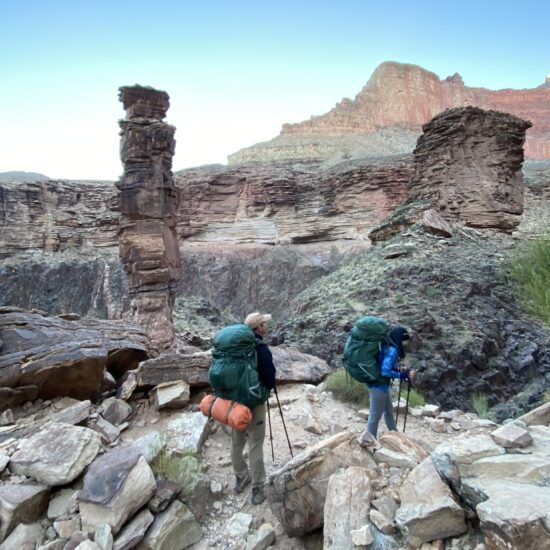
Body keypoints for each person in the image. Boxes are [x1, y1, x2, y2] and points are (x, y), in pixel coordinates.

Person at [231, 312, 276, 505]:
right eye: (265, 323)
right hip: (254, 403)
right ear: (258, 328)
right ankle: (258, 487)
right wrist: (269, 386)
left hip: (234, 402)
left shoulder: (234, 348)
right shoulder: (261, 349)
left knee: (236, 441)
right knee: (255, 443)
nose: (267, 326)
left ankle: (241, 476)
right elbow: (269, 378)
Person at [367, 325, 415, 438]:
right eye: (405, 341)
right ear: (400, 338)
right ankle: (369, 441)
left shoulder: (386, 346)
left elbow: (382, 365)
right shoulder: (392, 350)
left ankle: (394, 434)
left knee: (388, 411)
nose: (406, 344)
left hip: (378, 384)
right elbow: (384, 371)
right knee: (374, 416)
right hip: (378, 386)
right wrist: (401, 375)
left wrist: (397, 369)